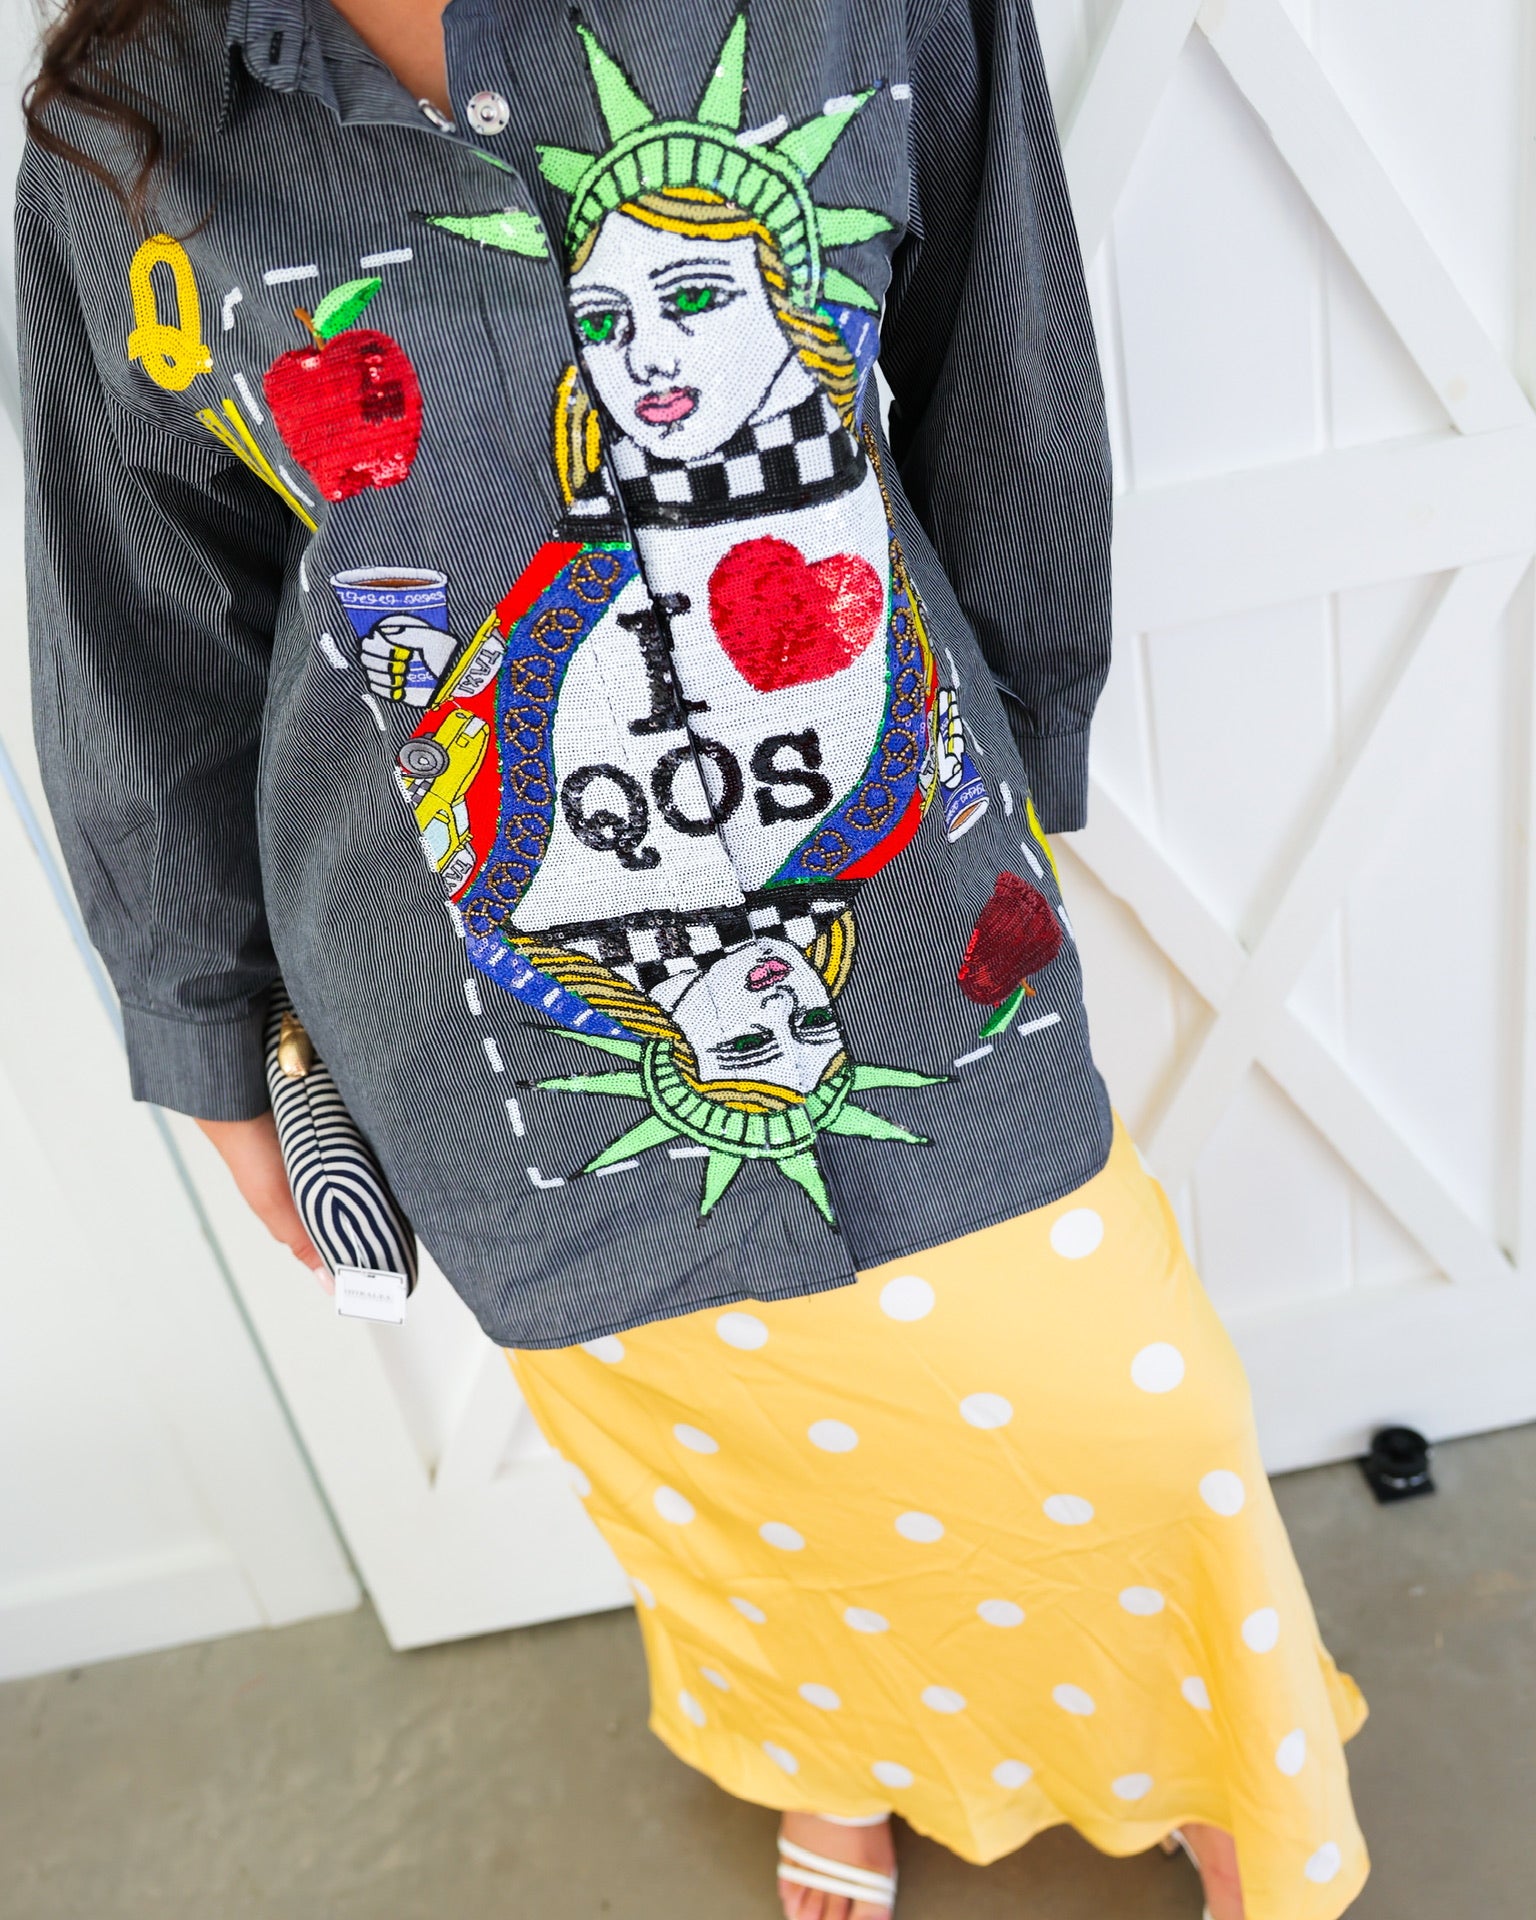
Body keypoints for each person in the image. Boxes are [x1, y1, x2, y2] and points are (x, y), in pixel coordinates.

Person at [18, 1, 1368, 1915]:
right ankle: (831, 1750)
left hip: (908, 924)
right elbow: (140, 619)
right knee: (715, 1483)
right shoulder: (125, 134)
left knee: (1136, 1421)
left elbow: (1003, 372)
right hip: (480, 1010)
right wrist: (213, 1031)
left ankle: (1212, 1746)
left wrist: (1023, 753)